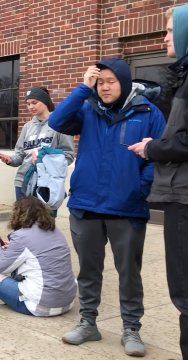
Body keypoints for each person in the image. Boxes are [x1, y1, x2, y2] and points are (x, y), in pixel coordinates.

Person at [48, 58, 166, 357]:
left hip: (127, 208)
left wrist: (140, 189)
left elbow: (158, 158)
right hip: (86, 204)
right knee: (89, 270)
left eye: (111, 81)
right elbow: (56, 121)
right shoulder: (87, 108)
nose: (105, 87)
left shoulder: (149, 113)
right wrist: (82, 88)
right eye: (100, 81)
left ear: (124, 82)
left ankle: (131, 329)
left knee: (129, 272)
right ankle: (88, 323)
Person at [128, 6, 188, 358]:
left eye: (169, 31)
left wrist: (153, 147)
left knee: (184, 292)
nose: (164, 37)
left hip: (184, 198)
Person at [0, 196, 77, 317]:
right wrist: (13, 247)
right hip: (67, 302)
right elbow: (37, 250)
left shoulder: (20, 236)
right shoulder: (55, 231)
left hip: (40, 306)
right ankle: (6, 294)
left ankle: (0, 295)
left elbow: (1, 267)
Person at [0, 87, 74, 201]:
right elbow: (21, 155)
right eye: (28, 104)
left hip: (47, 183)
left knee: (44, 219)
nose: (31, 107)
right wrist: (10, 160)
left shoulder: (60, 124)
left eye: (34, 103)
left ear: (45, 101)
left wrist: (44, 161)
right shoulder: (27, 127)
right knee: (23, 218)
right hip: (22, 181)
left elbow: (68, 155)